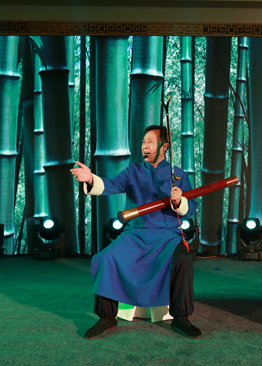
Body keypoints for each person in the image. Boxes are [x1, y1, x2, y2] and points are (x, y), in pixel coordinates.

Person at [70, 125, 202, 340]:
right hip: (136, 234)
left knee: (183, 260)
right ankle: (107, 317)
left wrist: (180, 201)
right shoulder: (133, 171)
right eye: (143, 142)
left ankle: (181, 317)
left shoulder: (178, 175)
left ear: (164, 146)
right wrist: (90, 178)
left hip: (167, 235)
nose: (145, 146)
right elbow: (111, 185)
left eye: (150, 142)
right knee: (105, 258)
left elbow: (191, 208)